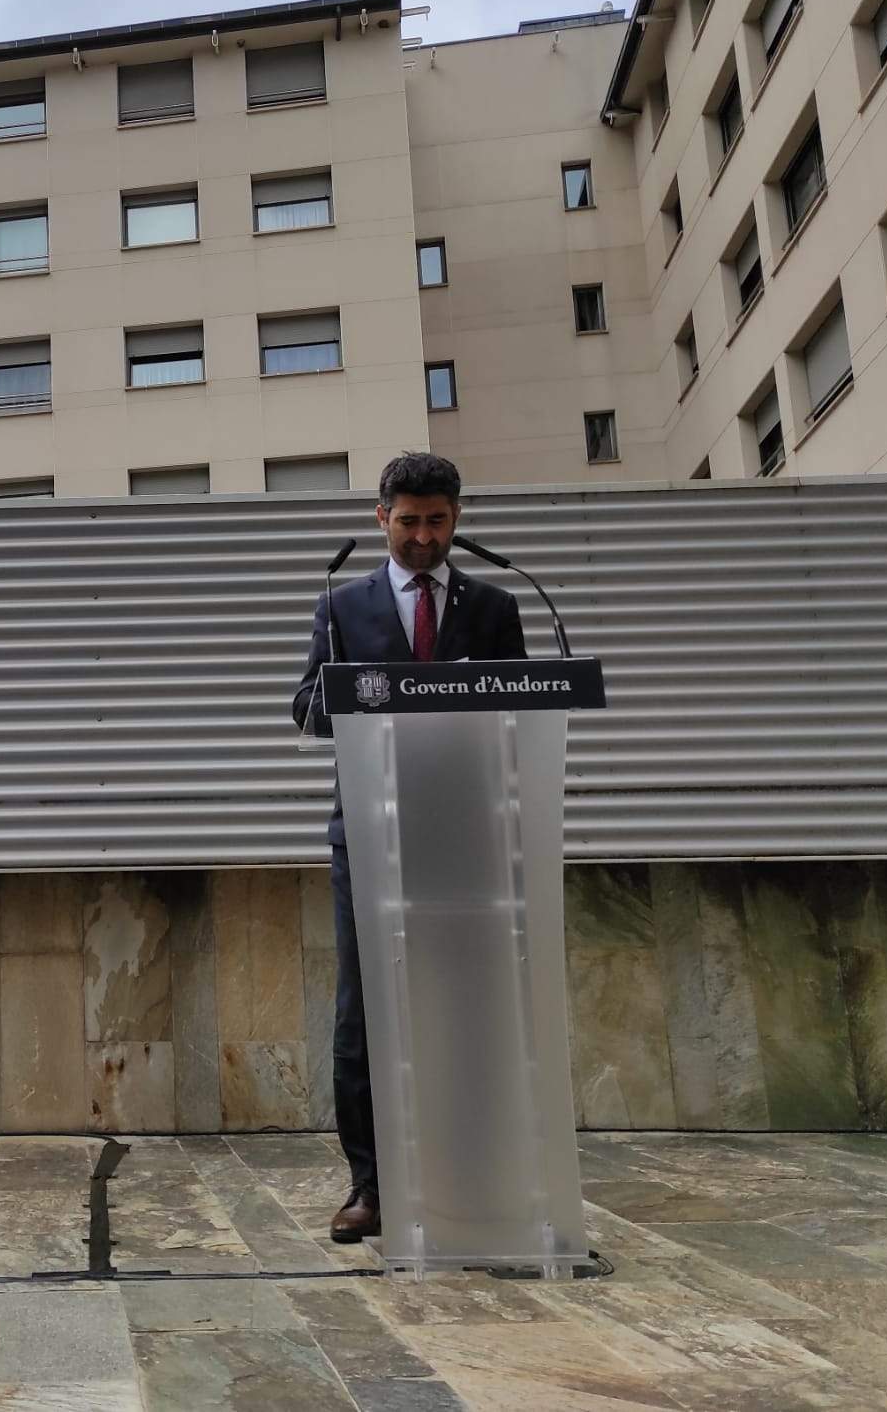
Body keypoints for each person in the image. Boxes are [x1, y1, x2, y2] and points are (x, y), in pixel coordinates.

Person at [289, 450, 525, 1244]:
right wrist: (353, 694)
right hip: (370, 833)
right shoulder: (343, 605)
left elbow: (521, 711)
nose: (423, 538)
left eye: (438, 521)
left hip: (463, 834)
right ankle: (372, 1187)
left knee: (466, 1008)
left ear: (456, 519)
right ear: (380, 517)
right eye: (409, 521)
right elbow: (305, 708)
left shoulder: (494, 608)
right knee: (366, 1015)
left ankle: (471, 1175)